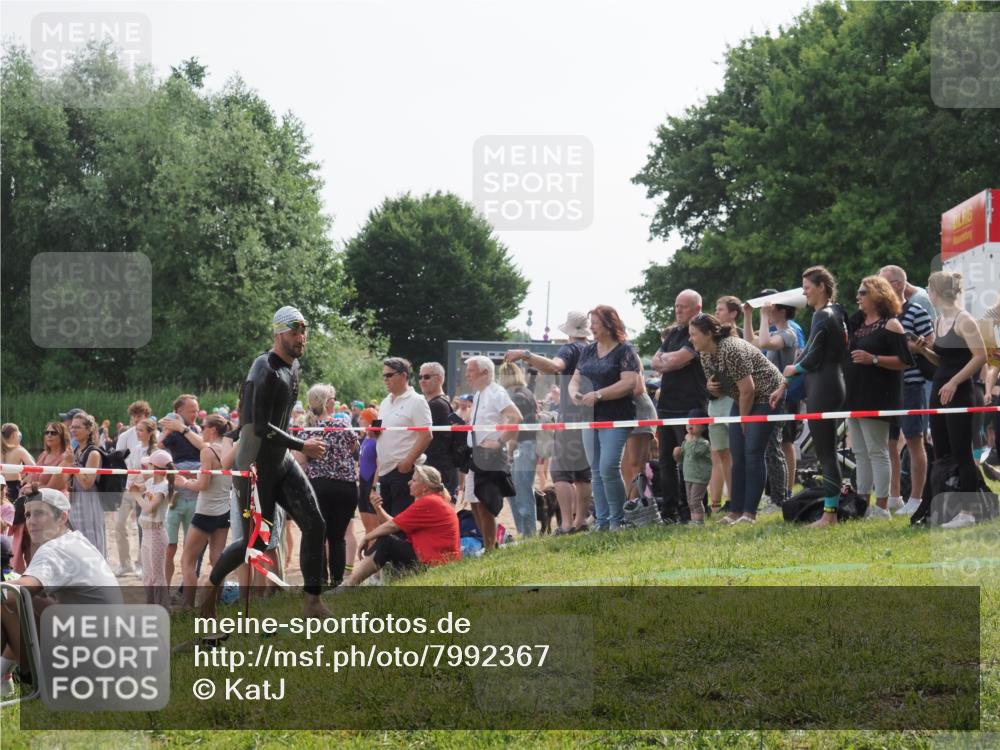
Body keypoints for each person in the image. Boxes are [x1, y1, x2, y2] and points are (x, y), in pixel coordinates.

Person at [204, 305, 330, 619]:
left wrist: (294, 448)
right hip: (254, 468)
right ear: (278, 333)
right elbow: (259, 427)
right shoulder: (264, 369)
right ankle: (208, 592)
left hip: (281, 461)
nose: (301, 337)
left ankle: (312, 603)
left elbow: (280, 424)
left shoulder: (294, 366)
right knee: (253, 542)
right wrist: (303, 444)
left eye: (304, 330)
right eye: (294, 331)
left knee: (315, 524)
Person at [1, 486, 121, 683]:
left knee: (7, 600)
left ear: (62, 518)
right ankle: (4, 677)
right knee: (31, 599)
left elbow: (14, 593)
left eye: (39, 513)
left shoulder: (55, 549)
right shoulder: (75, 539)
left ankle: (31, 677)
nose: (30, 521)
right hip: (109, 652)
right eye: (28, 514)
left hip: (89, 662)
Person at [770, 266, 848, 528]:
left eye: (807, 288)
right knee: (827, 452)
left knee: (826, 453)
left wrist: (794, 369)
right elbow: (814, 352)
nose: (804, 293)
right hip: (829, 384)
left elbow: (812, 356)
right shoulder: (835, 311)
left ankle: (830, 514)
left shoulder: (822, 315)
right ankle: (830, 510)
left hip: (824, 387)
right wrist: (786, 382)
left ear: (822, 287)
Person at [689, 314, 784, 524]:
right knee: (737, 455)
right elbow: (721, 390)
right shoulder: (705, 355)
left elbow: (749, 390)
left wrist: (743, 420)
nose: (691, 339)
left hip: (767, 395)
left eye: (694, 334)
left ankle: (749, 514)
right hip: (742, 398)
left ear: (707, 334)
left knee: (752, 453)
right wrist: (711, 388)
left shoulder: (731, 348)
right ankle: (735, 511)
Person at [912, 271, 988, 528]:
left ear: (936, 292)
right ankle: (947, 507)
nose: (928, 293)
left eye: (929, 289)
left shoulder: (964, 319)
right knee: (942, 452)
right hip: (939, 390)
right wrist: (925, 350)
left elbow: (980, 356)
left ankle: (969, 511)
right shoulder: (939, 320)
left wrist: (954, 382)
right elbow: (942, 360)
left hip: (959, 392)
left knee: (961, 452)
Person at [506, 310, 593, 534]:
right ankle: (581, 520)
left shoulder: (570, 349)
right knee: (584, 473)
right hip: (592, 415)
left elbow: (555, 366)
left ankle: (565, 524)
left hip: (571, 416)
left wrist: (526, 355)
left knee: (561, 472)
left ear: (570, 332)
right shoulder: (593, 349)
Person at [569, 306, 643, 531]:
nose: (591, 327)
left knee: (609, 467)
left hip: (617, 417)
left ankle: (617, 519)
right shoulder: (588, 351)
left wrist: (599, 394)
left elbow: (629, 382)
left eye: (595, 322)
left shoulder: (625, 350)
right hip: (590, 417)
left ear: (609, 324)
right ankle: (602, 521)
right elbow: (575, 379)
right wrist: (574, 394)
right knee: (596, 471)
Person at [844, 276, 911, 519]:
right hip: (855, 395)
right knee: (860, 453)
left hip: (879, 397)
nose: (858, 297)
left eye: (863, 293)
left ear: (877, 295)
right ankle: (863, 504)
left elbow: (904, 361)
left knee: (877, 451)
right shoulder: (857, 322)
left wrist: (873, 359)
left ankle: (882, 507)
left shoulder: (891, 325)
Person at [340, 465, 460, 586]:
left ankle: (350, 583)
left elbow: (393, 525)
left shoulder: (429, 501)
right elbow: (396, 523)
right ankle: (371, 581)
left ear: (425, 487)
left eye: (413, 480)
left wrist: (367, 537)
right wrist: (379, 509)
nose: (409, 483)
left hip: (434, 563)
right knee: (391, 538)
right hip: (437, 561)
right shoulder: (434, 500)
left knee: (387, 541)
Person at [880, 265, 936, 516]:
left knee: (915, 441)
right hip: (887, 386)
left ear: (898, 285)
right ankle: (894, 496)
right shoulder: (880, 316)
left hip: (912, 384)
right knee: (890, 443)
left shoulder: (917, 310)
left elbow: (930, 348)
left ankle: (916, 497)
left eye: (882, 284)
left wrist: (906, 348)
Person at [651, 290, 708, 522]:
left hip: (690, 405)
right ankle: (669, 510)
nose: (678, 310)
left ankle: (692, 509)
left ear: (697, 308)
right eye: (676, 306)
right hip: (666, 407)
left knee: (690, 460)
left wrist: (668, 361)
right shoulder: (673, 333)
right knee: (666, 461)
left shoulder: (698, 332)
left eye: (684, 306)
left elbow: (676, 360)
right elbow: (656, 361)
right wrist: (668, 361)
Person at [743, 293, 799, 508]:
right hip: (767, 396)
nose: (767, 311)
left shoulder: (788, 334)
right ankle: (776, 495)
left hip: (779, 397)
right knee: (768, 447)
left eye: (771, 308)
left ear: (782, 310)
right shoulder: (776, 332)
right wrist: (748, 316)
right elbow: (752, 343)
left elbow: (765, 341)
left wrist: (763, 317)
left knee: (774, 447)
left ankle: (780, 497)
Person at [173, 415, 234, 609]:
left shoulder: (208, 451)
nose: (201, 430)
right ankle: (213, 603)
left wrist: (185, 483)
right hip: (224, 511)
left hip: (206, 511)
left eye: (203, 426)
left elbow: (204, 484)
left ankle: (187, 605)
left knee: (188, 560)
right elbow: (213, 478)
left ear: (213, 430)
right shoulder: (229, 450)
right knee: (217, 561)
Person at [302, 383, 359, 588]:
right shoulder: (343, 424)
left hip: (320, 485)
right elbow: (355, 448)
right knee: (338, 537)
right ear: (328, 402)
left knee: (320, 536)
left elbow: (300, 460)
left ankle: (320, 580)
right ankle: (336, 582)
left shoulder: (308, 429)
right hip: (346, 486)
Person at [465, 356, 522, 549]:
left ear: (485, 372)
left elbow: (516, 417)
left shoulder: (496, 392)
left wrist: (498, 442)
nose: (467, 375)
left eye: (471, 370)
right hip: (475, 454)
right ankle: (488, 545)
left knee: (485, 502)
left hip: (489, 456)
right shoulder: (480, 393)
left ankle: (490, 547)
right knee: (473, 501)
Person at [376, 357, 433, 516]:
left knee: (401, 522)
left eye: (389, 375)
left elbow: (426, 435)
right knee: (386, 521)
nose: (385, 379)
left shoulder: (417, 401)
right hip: (385, 471)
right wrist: (374, 433)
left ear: (403, 375)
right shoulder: (385, 402)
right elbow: (382, 431)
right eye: (384, 376)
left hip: (404, 471)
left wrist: (408, 462)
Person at [159, 396, 204, 590]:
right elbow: (158, 449)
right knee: (169, 547)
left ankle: (186, 588)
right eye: (191, 411)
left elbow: (203, 446)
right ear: (179, 412)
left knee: (193, 547)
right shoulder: (173, 434)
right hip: (176, 497)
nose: (195, 414)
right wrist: (170, 428)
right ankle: (165, 589)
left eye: (196, 410)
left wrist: (182, 428)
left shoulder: (197, 430)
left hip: (196, 495)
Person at [705, 297, 742, 511]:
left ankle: (738, 497)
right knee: (720, 453)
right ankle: (724, 501)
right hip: (715, 404)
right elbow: (707, 374)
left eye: (720, 309)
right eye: (716, 309)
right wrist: (708, 385)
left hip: (735, 402)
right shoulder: (710, 342)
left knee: (737, 451)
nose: (716, 313)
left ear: (733, 313)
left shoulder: (743, 337)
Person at [113, 400, 154, 576]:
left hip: (146, 488)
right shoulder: (126, 436)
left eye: (140, 415)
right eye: (134, 416)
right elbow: (118, 460)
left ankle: (143, 564)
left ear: (146, 416)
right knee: (119, 524)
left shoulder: (153, 437)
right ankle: (125, 563)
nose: (137, 419)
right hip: (128, 486)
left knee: (142, 526)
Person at [498, 361, 539, 538]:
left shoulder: (515, 396)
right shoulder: (526, 393)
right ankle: (525, 533)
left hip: (522, 447)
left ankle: (528, 534)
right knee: (519, 493)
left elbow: (514, 428)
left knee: (521, 494)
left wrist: (508, 453)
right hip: (529, 446)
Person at [136, 450, 174, 608]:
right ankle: (151, 608)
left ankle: (162, 610)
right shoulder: (151, 482)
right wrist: (136, 485)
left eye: (149, 464)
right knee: (148, 576)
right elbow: (139, 486)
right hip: (146, 532)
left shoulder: (163, 487)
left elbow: (149, 508)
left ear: (156, 467)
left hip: (157, 534)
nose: (147, 467)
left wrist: (135, 496)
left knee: (158, 577)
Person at [419, 362, 461, 499]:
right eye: (420, 377)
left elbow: (424, 438)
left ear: (439, 378)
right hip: (439, 470)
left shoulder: (437, 405)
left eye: (426, 377)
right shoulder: (440, 403)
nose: (422, 381)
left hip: (438, 471)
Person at [67, 412, 107, 556]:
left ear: (89, 430)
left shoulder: (93, 453)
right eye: (72, 427)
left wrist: (73, 465)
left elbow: (87, 483)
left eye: (77, 427)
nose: (73, 430)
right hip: (75, 500)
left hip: (89, 500)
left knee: (91, 539)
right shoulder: (76, 450)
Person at [672, 411, 713, 524]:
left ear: (703, 427)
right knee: (690, 501)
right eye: (688, 423)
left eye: (694, 423)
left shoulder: (703, 443)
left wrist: (691, 441)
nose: (690, 426)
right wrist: (677, 455)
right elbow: (682, 460)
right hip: (689, 475)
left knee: (695, 500)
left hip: (699, 476)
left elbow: (695, 454)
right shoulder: (686, 442)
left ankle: (699, 521)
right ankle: (694, 520)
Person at [356, 407, 380, 535]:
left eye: (361, 418)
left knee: (374, 527)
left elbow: (379, 465)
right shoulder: (366, 436)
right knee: (367, 526)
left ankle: (373, 553)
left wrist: (374, 487)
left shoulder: (377, 438)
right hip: (363, 482)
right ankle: (368, 552)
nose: (358, 420)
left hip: (371, 481)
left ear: (368, 420)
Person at [1, 424, 34, 504]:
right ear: (13, 435)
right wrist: (25, 481)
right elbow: (34, 468)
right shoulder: (19, 450)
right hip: (13, 488)